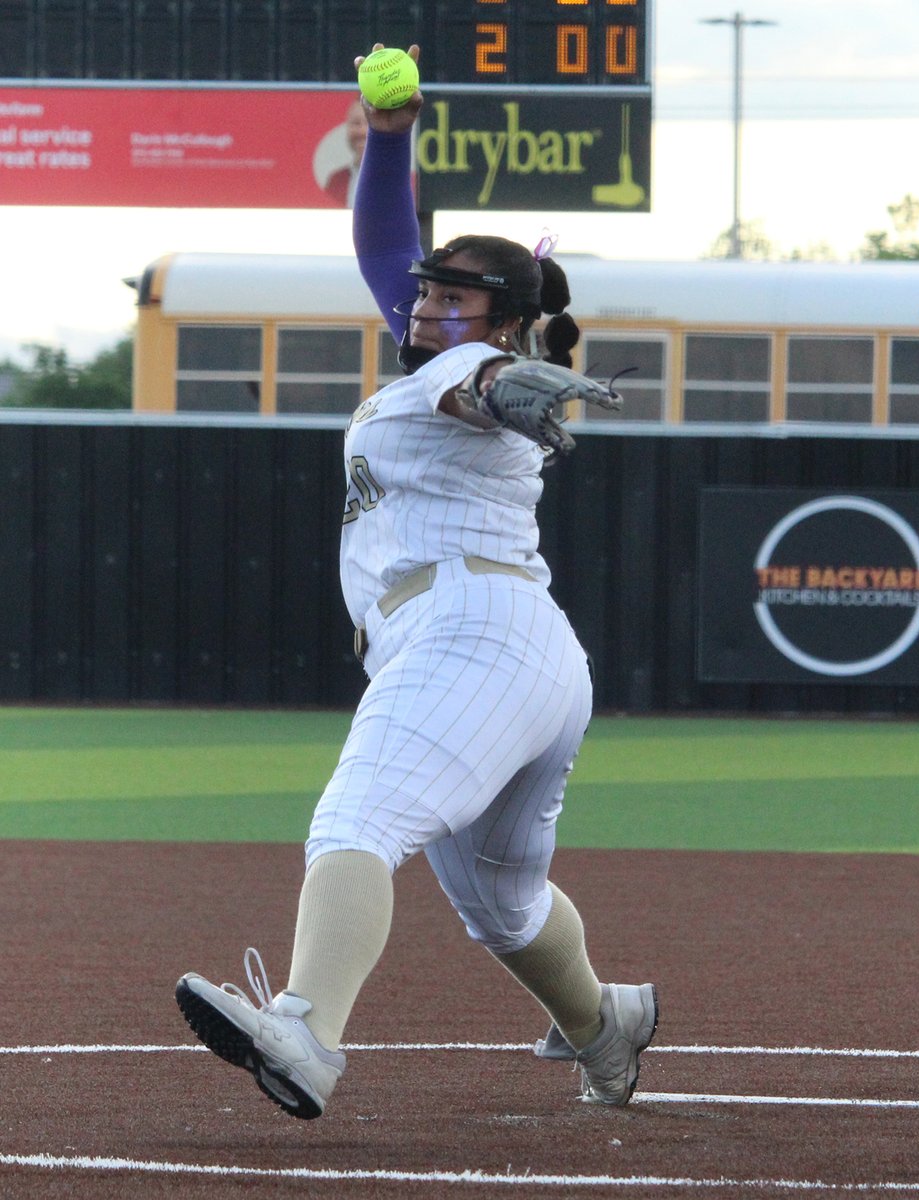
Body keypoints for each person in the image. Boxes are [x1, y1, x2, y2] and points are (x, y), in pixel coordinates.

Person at [175, 44, 658, 1120]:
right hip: (525, 650)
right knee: (503, 900)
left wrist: (523, 383)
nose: (426, 306)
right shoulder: (443, 340)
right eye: (430, 291)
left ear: (499, 319)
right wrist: (388, 139)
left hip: (466, 632)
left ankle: (303, 1032)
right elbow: (385, 243)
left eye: (452, 297)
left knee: (357, 816)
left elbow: (487, 385)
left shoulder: (461, 364)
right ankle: (604, 1027)